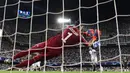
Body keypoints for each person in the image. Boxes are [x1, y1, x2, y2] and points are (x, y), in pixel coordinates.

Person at [5, 24, 101, 68]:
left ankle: (12, 59)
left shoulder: (70, 27)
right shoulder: (81, 38)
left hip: (49, 44)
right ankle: (16, 67)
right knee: (35, 59)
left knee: (29, 51)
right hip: (56, 51)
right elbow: (88, 45)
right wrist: (94, 38)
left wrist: (84, 32)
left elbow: (73, 31)